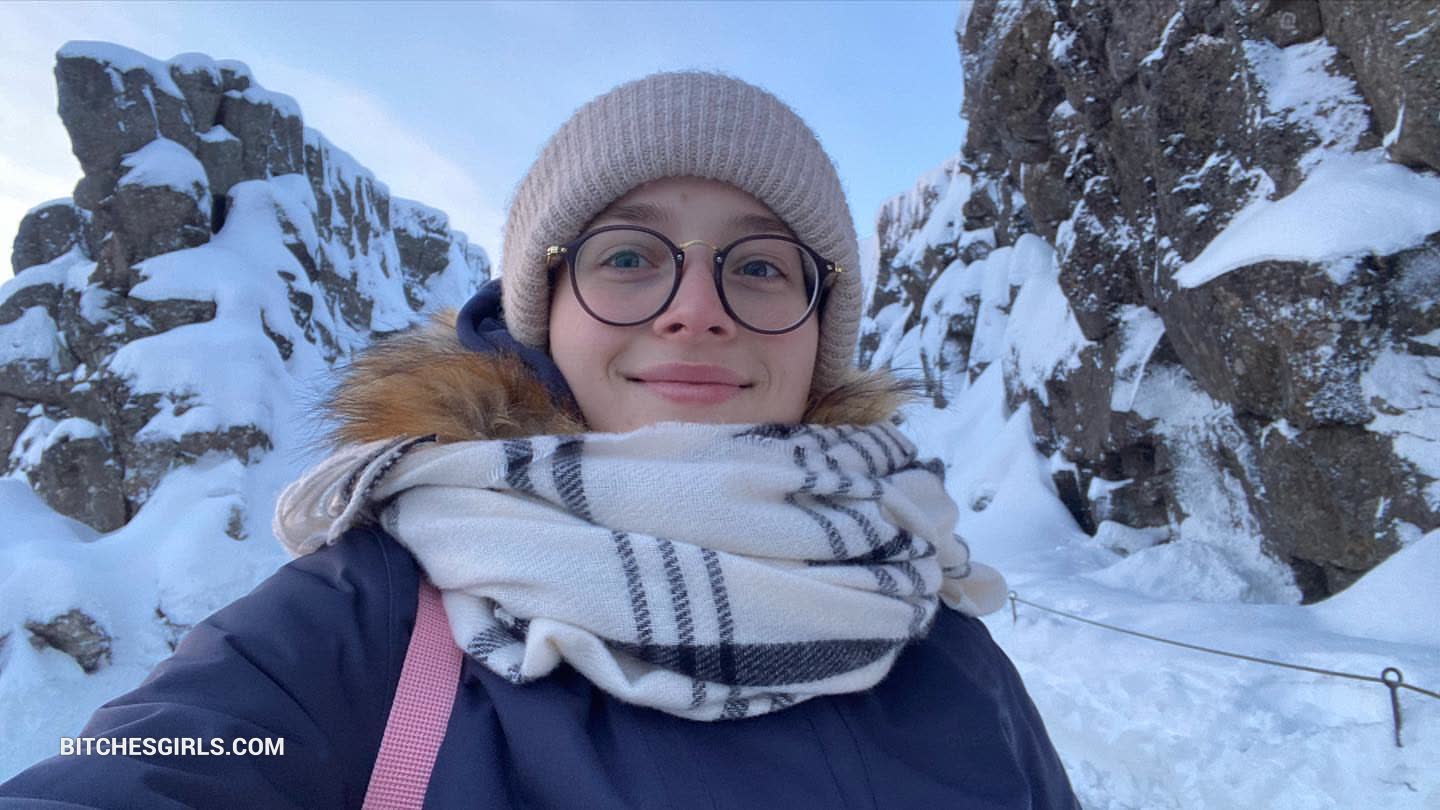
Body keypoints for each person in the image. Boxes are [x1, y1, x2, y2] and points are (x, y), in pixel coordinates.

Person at [0, 71, 1078, 809]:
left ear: (818, 330)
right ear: (542, 313)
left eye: (758, 266)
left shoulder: (934, 630)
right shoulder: (366, 612)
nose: (694, 310)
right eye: (628, 258)